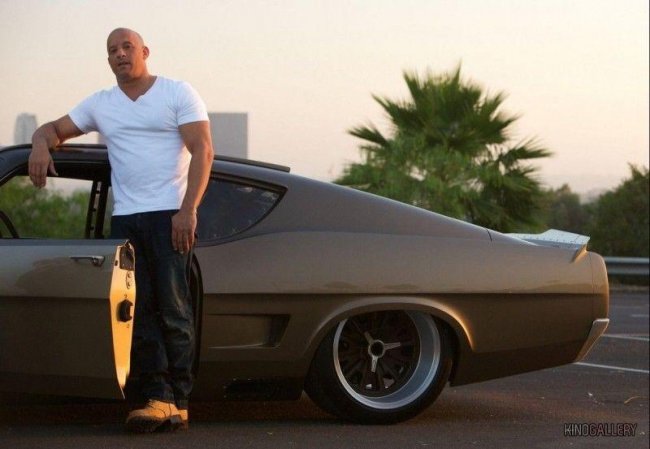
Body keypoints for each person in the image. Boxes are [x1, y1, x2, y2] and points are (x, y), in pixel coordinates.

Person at [28, 28, 214, 433]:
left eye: (127, 47)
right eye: (112, 50)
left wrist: (188, 211)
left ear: (145, 51)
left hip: (170, 214)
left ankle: (178, 401)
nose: (120, 54)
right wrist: (40, 143)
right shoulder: (101, 103)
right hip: (126, 219)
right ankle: (157, 397)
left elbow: (203, 149)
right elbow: (52, 129)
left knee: (174, 309)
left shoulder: (177, 93)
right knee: (138, 311)